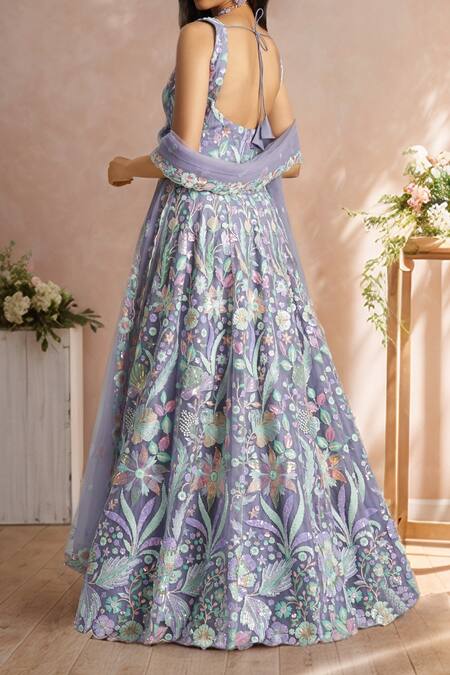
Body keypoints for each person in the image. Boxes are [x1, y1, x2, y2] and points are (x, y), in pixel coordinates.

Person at [64, 0, 420, 651]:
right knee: (262, 391)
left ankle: (176, 577)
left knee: (188, 387)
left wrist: (126, 166)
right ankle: (274, 568)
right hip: (257, 238)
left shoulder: (200, 37)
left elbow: (184, 155)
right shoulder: (264, 45)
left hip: (201, 236)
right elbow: (292, 158)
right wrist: (245, 174)